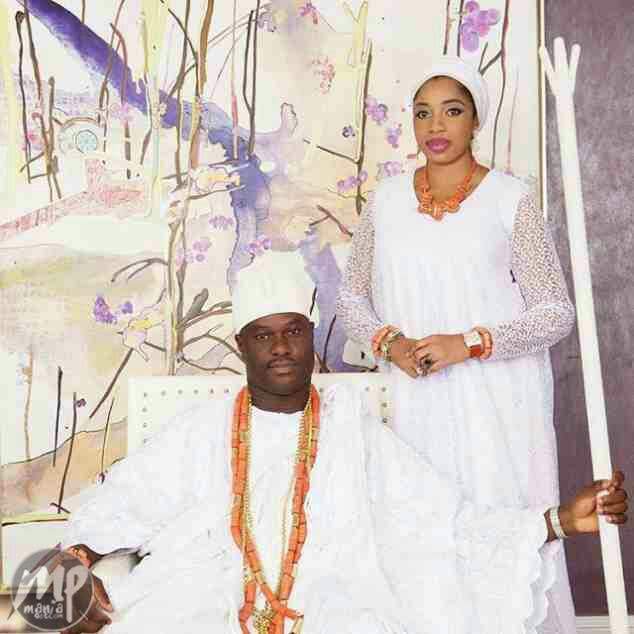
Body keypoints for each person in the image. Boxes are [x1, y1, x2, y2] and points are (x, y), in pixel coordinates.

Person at [58, 253, 626, 634]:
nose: (280, 347)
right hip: (209, 590)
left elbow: (445, 520)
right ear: (242, 347)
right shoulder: (200, 430)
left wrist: (558, 521)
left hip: (335, 594)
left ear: (311, 338)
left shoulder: (355, 431)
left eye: (293, 331)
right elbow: (122, 504)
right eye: (263, 335)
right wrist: (76, 562)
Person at [336, 56, 579, 632]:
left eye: (452, 111)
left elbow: (555, 313)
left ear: (476, 121)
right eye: (423, 113)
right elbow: (350, 298)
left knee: (504, 524)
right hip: (416, 401)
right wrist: (390, 342)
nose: (436, 126)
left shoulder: (510, 199)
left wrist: (468, 343)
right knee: (425, 531)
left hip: (499, 401)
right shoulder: (386, 202)